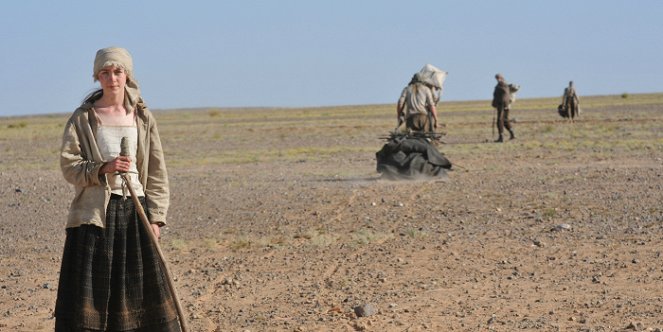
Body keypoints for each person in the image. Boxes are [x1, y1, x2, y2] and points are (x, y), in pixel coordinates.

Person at [55, 47, 181, 331]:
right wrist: (103, 168)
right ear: (97, 76)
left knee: (143, 291)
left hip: (136, 210)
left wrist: (157, 217)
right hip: (94, 216)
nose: (112, 78)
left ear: (127, 75)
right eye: (105, 73)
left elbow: (158, 171)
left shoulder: (142, 116)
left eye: (118, 71)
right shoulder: (83, 118)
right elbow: (69, 166)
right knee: (92, 298)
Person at [492, 73, 515, 142]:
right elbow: (497, 96)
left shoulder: (503, 85)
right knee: (505, 120)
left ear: (502, 78)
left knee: (500, 121)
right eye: (497, 78)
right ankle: (512, 134)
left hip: (503, 106)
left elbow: (506, 95)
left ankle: (501, 138)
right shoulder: (500, 85)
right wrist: (494, 103)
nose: (498, 79)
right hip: (502, 105)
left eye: (499, 78)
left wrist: (505, 105)